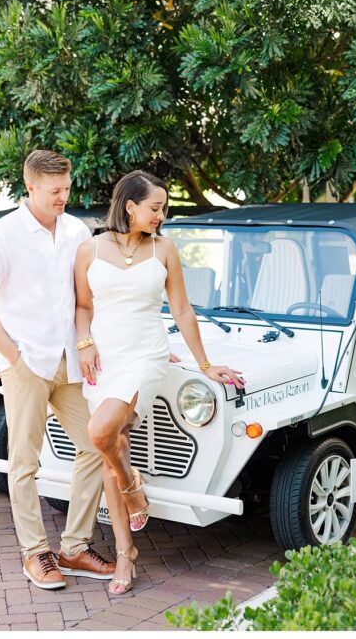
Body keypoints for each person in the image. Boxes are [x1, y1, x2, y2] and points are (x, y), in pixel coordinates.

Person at [74, 170, 243, 594]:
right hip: (104, 360)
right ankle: (124, 555)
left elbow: (182, 309)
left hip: (145, 355)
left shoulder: (164, 248)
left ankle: (134, 489)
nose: (161, 214)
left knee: (100, 433)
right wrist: (84, 343)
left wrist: (204, 364)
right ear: (129, 205)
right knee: (115, 448)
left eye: (163, 207)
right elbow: (82, 307)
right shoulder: (89, 249)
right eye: (155, 206)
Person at [0, 150, 115, 590]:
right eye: (55, 191)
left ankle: (73, 547)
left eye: (67, 188)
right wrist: (15, 357)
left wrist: (89, 343)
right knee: (24, 462)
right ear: (30, 187)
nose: (63, 197)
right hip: (26, 363)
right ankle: (35, 555)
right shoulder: (2, 235)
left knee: (95, 445)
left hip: (68, 361)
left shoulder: (75, 230)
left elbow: (88, 297)